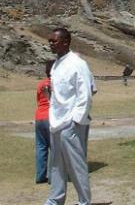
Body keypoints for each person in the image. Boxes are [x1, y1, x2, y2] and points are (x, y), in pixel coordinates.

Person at [45, 28, 93, 205]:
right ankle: (55, 200)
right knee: (56, 165)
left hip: (71, 123)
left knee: (76, 165)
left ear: (66, 42)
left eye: (54, 41)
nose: (50, 44)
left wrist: (76, 120)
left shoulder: (77, 64)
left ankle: (84, 201)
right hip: (56, 122)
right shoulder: (56, 65)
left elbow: (85, 93)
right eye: (50, 41)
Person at [35, 60, 55, 184]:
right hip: (51, 117)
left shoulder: (41, 84)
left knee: (41, 146)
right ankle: (53, 176)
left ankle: (40, 175)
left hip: (39, 116)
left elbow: (38, 100)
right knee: (54, 146)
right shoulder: (56, 83)